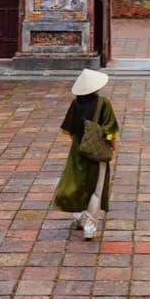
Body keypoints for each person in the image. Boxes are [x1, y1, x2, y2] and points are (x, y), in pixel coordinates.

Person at [53, 68, 119, 239]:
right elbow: (110, 131)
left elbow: (68, 130)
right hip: (96, 152)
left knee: (77, 183)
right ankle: (90, 224)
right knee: (96, 188)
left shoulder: (75, 104)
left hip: (77, 150)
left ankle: (78, 216)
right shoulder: (103, 103)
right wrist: (112, 147)